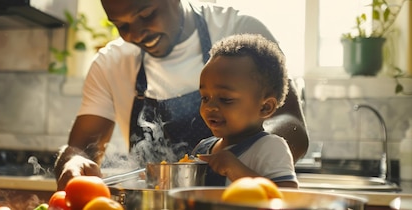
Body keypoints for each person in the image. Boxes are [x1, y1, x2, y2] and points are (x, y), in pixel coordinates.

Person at [54, 0, 309, 190]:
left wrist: (245, 156)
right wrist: (72, 162)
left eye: (147, 14)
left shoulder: (241, 32)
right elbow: (81, 148)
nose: (135, 34)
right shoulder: (111, 63)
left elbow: (292, 124)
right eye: (121, 26)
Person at [193, 34, 298, 188]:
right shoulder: (202, 148)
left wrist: (236, 171)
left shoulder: (269, 147)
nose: (210, 107)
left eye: (225, 99)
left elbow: (288, 198)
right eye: (205, 98)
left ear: (265, 107)